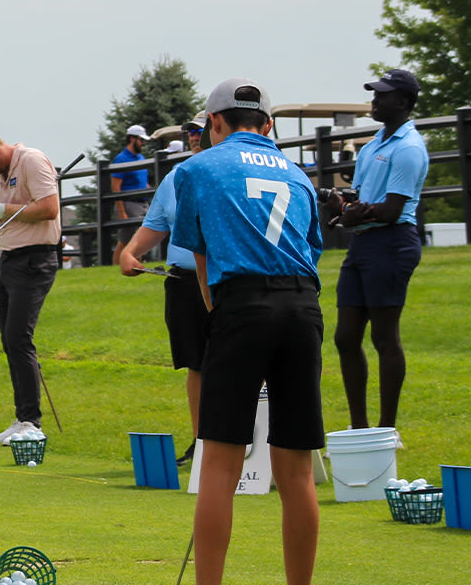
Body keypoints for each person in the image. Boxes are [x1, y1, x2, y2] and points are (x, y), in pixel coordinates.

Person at [171, 78, 323, 585]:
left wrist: (220, 315)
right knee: (297, 469)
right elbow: (311, 250)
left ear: (214, 122)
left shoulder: (196, 168)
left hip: (242, 305)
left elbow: (200, 255)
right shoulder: (299, 176)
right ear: (269, 125)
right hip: (303, 307)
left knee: (219, 463)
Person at [324, 69, 428, 436]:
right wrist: (343, 207)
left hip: (392, 243)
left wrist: (353, 215)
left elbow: (392, 210)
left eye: (382, 95)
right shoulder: (372, 147)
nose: (375, 100)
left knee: (384, 337)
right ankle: (359, 427)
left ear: (403, 102)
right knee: (345, 337)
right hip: (365, 244)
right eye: (375, 93)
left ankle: (386, 430)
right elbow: (362, 200)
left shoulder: (408, 148)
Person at [118, 111, 211, 465]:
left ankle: (247, 442)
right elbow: (156, 223)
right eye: (190, 131)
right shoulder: (175, 177)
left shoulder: (227, 172)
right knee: (196, 364)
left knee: (236, 361)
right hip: (183, 281)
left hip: (227, 280)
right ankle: (201, 441)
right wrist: (130, 252)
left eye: (200, 130)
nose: (193, 136)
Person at [0, 128, 61, 446]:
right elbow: (20, 212)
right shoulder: (5, 173)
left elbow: (49, 208)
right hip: (11, 261)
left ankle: (32, 423)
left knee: (19, 338)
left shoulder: (31, 160)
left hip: (34, 260)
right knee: (10, 340)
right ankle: (22, 418)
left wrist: (3, 211)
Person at [111, 124, 150, 265]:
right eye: (141, 140)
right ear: (132, 138)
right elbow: (115, 186)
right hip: (129, 204)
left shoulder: (141, 158)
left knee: (138, 241)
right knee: (125, 240)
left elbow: (144, 182)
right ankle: (116, 268)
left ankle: (135, 267)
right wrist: (122, 211)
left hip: (142, 204)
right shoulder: (121, 159)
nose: (143, 143)